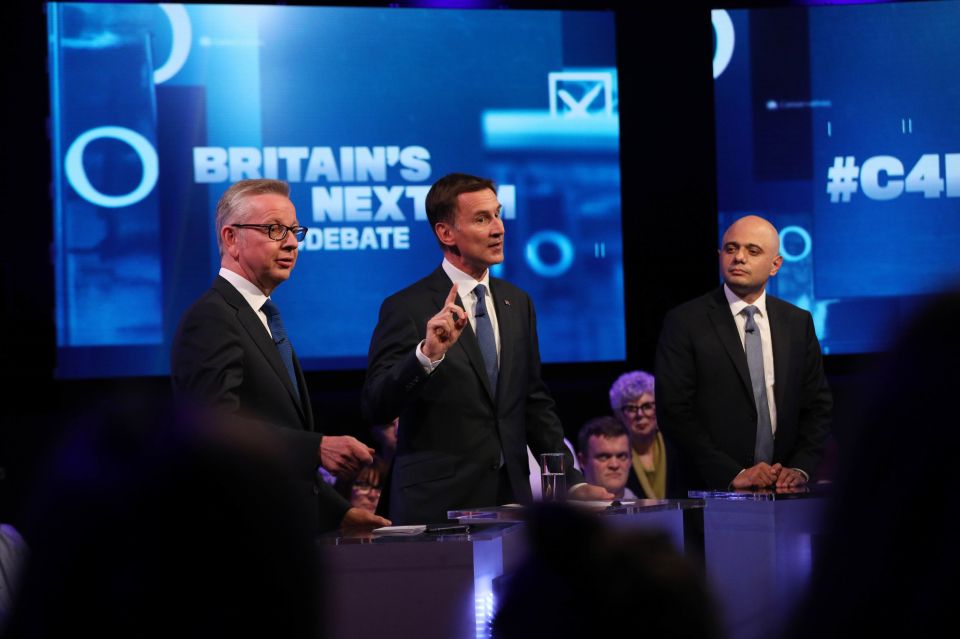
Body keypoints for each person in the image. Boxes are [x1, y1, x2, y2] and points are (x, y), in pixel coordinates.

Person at [361, 173, 610, 524]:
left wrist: (570, 480)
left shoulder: (516, 301)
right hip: (437, 505)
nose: (499, 228)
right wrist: (426, 356)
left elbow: (534, 402)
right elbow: (376, 404)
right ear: (446, 233)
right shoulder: (407, 307)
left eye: (498, 214)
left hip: (510, 500)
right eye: (482, 219)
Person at [171, 178, 389, 532]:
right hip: (243, 536)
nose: (290, 243)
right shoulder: (213, 318)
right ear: (231, 238)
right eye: (274, 229)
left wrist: (339, 514)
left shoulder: (261, 315)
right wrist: (316, 448)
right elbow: (210, 430)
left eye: (294, 230)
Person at [655, 215, 831, 491]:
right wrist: (732, 472)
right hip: (710, 492)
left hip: (781, 492)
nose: (738, 257)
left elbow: (817, 406)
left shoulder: (797, 322)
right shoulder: (685, 322)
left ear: (775, 265)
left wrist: (799, 467)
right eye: (731, 248)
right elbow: (674, 411)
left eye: (753, 250)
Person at [609, 370, 668, 498]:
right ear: (618, 415)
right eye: (631, 409)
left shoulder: (675, 447)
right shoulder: (615, 457)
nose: (640, 415)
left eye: (647, 406)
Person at [576, 417, 638, 501]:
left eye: (621, 456)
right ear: (582, 461)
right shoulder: (566, 511)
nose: (614, 465)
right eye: (604, 457)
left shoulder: (645, 510)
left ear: (631, 460)